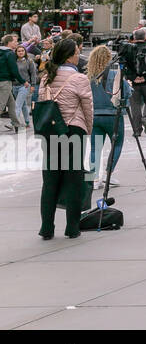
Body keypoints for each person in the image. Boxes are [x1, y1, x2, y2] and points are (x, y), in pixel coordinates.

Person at [36, 37, 93, 239]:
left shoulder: (46, 77)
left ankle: (46, 228)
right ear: (70, 57)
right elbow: (88, 108)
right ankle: (72, 227)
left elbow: (42, 104)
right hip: (73, 130)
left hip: (51, 133)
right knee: (74, 180)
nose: (79, 55)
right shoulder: (79, 79)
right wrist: (88, 130)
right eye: (77, 52)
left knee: (50, 180)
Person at [85, 45, 125, 208]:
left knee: (95, 148)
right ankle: (109, 174)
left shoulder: (89, 77)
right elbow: (125, 92)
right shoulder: (114, 74)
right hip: (113, 114)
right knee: (117, 144)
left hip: (95, 115)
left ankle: (94, 178)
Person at [120, 28, 146, 137]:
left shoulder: (129, 49)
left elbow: (124, 65)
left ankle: (137, 130)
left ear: (134, 38)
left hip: (134, 83)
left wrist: (133, 77)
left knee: (135, 105)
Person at [0, 34, 22, 131]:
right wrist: (23, 81)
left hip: (2, 81)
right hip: (5, 82)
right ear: (9, 43)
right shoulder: (10, 53)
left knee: (12, 104)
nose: (17, 43)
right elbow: (14, 70)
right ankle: (16, 125)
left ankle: (16, 125)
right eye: (15, 41)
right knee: (1, 105)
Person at [14, 43, 37, 130]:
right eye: (19, 51)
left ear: (25, 52)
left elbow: (33, 73)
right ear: (16, 52)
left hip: (25, 85)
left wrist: (33, 85)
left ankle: (14, 122)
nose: (20, 52)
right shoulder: (14, 61)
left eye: (22, 51)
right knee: (23, 105)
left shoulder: (29, 61)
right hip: (14, 85)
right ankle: (27, 122)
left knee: (17, 105)